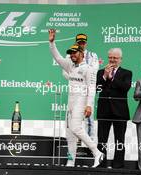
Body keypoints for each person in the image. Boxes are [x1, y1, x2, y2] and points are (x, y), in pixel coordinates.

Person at [49, 29, 104, 167]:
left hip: (81, 101)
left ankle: (97, 153)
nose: (72, 55)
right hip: (70, 102)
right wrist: (52, 42)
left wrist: (89, 105)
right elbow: (57, 57)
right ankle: (70, 161)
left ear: (81, 53)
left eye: (74, 52)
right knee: (69, 133)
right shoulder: (70, 65)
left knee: (76, 128)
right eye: (71, 53)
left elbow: (92, 88)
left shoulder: (88, 68)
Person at [96, 48, 132, 168]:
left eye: (115, 58)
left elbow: (125, 88)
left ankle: (118, 165)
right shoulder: (100, 72)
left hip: (120, 112)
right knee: (102, 140)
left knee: (119, 140)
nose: (112, 60)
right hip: (103, 111)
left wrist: (112, 78)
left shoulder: (127, 73)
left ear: (120, 59)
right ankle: (101, 164)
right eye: (110, 57)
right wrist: (105, 76)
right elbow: (97, 88)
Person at [62, 33, 99, 141]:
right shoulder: (69, 55)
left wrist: (80, 78)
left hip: (87, 90)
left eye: (83, 42)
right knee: (72, 119)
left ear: (86, 43)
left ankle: (88, 147)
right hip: (75, 91)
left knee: (89, 119)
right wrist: (76, 78)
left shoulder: (93, 55)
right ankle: (73, 145)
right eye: (79, 42)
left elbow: (94, 71)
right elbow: (65, 72)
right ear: (76, 42)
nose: (81, 44)